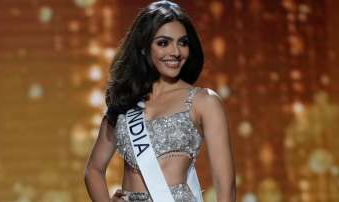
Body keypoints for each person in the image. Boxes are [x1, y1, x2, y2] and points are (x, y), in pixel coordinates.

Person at [84, 1, 235, 201]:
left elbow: (226, 185)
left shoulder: (204, 101)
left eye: (182, 42)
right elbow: (93, 169)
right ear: (144, 48)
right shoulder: (125, 102)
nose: (176, 52)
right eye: (163, 43)